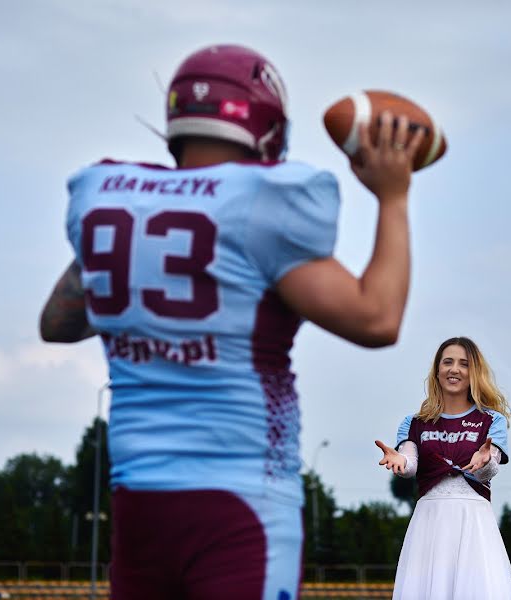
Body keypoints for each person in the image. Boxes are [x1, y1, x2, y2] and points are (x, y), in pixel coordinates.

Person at [39, 44, 424, 600]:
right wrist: (393, 198)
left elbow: (56, 323)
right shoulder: (258, 205)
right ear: (266, 126)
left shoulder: (113, 203)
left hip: (138, 506)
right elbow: (377, 318)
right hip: (241, 504)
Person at [375, 336, 511, 600]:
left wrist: (485, 462)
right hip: (429, 521)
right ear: (437, 370)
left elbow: (489, 470)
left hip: (473, 521)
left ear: (473, 372)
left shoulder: (492, 420)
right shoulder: (414, 422)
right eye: (448, 362)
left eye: (464, 364)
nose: (454, 369)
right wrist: (399, 462)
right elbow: (410, 465)